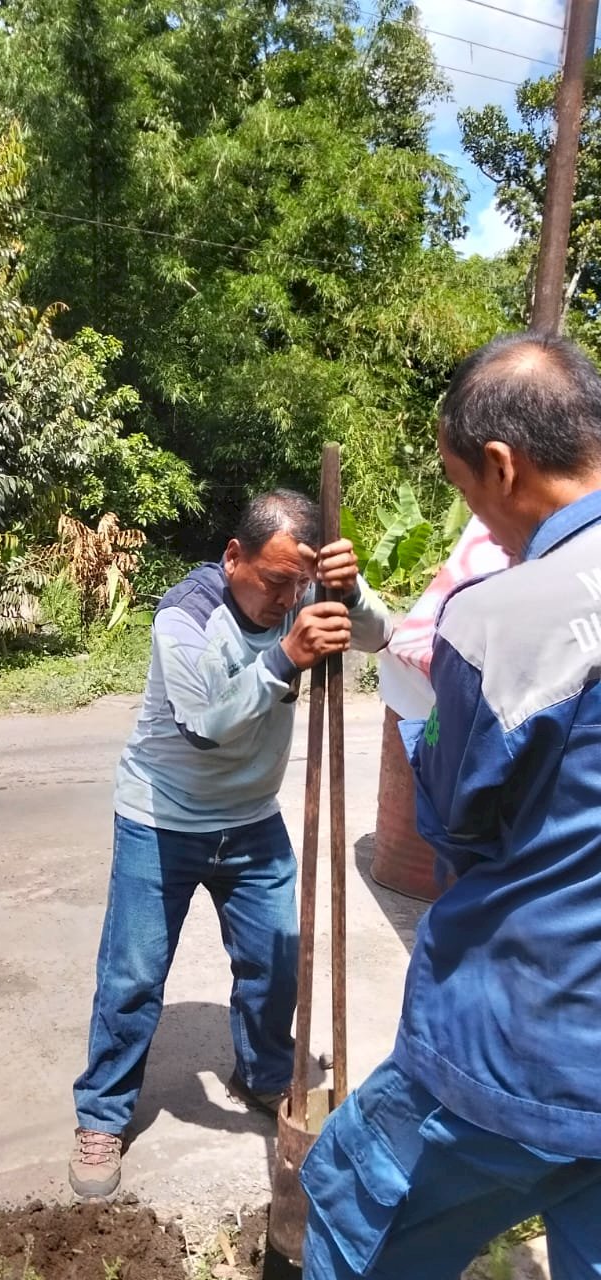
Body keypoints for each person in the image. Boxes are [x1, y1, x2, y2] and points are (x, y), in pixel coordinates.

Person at [300, 332, 601, 1280]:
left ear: (502, 466)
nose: (479, 520)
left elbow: (458, 822)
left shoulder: (512, 614)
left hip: (526, 1047)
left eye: (466, 491)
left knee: (355, 1221)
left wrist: (425, 728)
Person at [69, 488, 393, 1198]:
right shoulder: (184, 618)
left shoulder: (309, 591)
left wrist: (350, 591)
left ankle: (267, 1073)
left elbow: (380, 634)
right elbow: (207, 722)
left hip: (250, 819)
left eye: (297, 584)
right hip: (162, 819)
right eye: (273, 581)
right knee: (133, 978)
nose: (285, 596)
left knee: (279, 961)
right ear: (233, 556)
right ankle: (101, 1115)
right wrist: (284, 658)